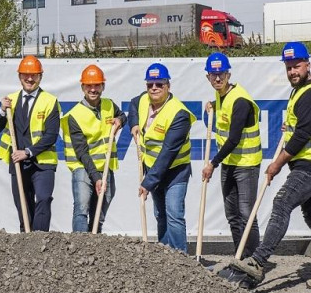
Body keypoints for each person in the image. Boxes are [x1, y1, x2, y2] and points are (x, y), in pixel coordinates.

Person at [228, 42, 311, 289]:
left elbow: (303, 136)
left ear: (308, 65)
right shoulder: (300, 92)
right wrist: (289, 129)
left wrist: (277, 164)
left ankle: (258, 262)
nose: (292, 71)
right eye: (289, 67)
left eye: (297, 66)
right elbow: (301, 127)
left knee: (281, 203)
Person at [200, 52, 262, 260]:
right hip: (229, 164)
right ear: (208, 76)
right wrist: (213, 106)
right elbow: (223, 114)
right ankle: (240, 257)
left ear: (228, 74)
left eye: (222, 74)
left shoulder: (240, 100)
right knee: (232, 215)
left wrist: (213, 163)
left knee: (247, 215)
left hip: (246, 164)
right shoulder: (221, 95)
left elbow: (234, 138)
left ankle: (254, 261)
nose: (218, 79)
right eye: (213, 75)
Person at [129, 62, 196, 253]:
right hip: (152, 167)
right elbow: (133, 104)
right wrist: (133, 124)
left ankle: (181, 260)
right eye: (150, 84)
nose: (154, 88)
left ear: (168, 85)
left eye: (159, 84)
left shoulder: (179, 114)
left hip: (175, 170)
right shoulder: (143, 100)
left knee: (174, 213)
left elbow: (167, 153)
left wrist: (147, 183)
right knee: (160, 215)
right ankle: (165, 257)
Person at [0, 55, 61, 231]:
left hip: (42, 164)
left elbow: (51, 136)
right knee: (23, 204)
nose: (30, 79)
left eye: (34, 75)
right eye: (25, 75)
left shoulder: (50, 101)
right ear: (19, 76)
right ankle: (26, 244)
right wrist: (1, 111)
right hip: (19, 164)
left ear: (40, 77)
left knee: (43, 199)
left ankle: (40, 239)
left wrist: (28, 151)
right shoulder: (10, 101)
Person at [61, 64, 127, 232]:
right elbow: (81, 151)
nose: (93, 89)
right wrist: (96, 177)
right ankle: (80, 247)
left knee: (101, 208)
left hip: (105, 167)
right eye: (89, 85)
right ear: (83, 87)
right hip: (83, 167)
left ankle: (95, 243)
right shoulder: (74, 115)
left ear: (103, 87)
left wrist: (119, 121)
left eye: (97, 85)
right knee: (82, 209)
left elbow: (122, 115)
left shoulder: (109, 105)